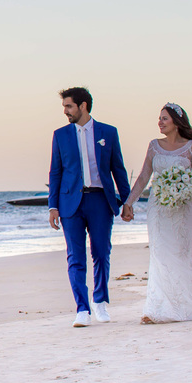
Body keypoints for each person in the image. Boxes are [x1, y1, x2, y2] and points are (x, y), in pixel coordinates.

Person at [48, 87, 132, 327]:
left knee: (101, 252)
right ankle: (82, 309)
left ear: (83, 105)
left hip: (100, 201)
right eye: (64, 107)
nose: (65, 111)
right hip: (69, 204)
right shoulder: (60, 135)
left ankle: (100, 301)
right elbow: (55, 172)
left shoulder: (108, 132)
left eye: (69, 106)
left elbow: (119, 169)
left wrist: (126, 202)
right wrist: (52, 206)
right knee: (75, 257)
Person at [121, 103, 192, 323]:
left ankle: (187, 306)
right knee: (160, 255)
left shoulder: (191, 148)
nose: (159, 122)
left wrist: (185, 188)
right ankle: (156, 309)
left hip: (183, 208)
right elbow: (143, 177)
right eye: (159, 118)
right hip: (158, 208)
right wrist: (129, 203)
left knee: (181, 255)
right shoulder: (154, 146)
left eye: (164, 119)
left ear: (176, 122)